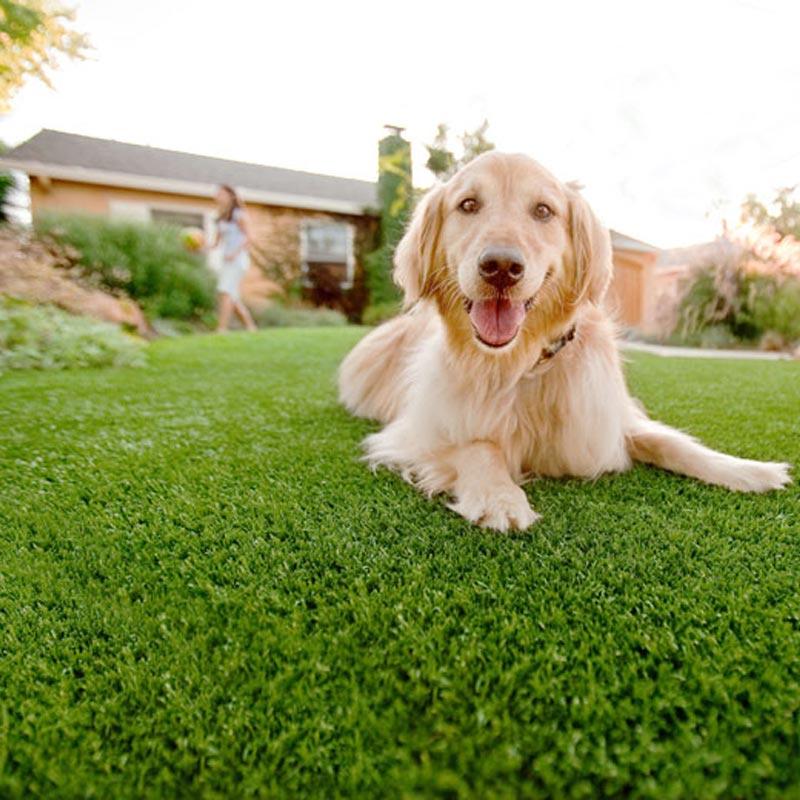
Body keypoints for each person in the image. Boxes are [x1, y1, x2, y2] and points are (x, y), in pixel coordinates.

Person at [207, 185, 257, 332]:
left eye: (221, 194)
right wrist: (199, 246)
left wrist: (235, 252)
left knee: (225, 292)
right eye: (217, 194)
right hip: (226, 260)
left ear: (231, 196)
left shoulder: (239, 214)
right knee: (232, 295)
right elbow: (215, 244)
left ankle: (222, 328)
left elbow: (250, 237)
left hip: (238, 259)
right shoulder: (220, 218)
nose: (218, 197)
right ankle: (250, 327)